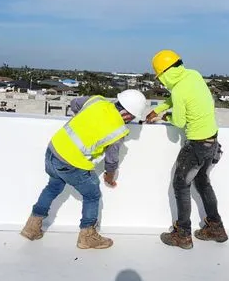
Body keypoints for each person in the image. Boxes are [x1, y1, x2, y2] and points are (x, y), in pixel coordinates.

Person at [20, 89, 149, 249]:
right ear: (128, 115)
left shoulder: (96, 100)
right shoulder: (118, 130)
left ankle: (31, 227)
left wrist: (86, 123)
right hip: (72, 163)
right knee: (92, 195)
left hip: (54, 149)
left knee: (52, 187)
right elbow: (111, 160)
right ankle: (87, 236)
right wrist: (109, 177)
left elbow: (75, 104)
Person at [145, 49, 227, 249]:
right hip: (212, 141)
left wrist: (163, 117)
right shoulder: (193, 75)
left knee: (180, 185)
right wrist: (159, 108)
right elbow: (178, 97)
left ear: (164, 74)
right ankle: (216, 228)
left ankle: (182, 234)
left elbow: (180, 121)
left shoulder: (179, 89)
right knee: (202, 182)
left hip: (197, 145)